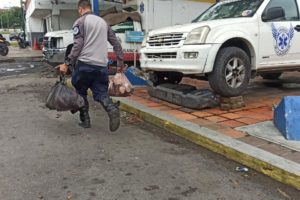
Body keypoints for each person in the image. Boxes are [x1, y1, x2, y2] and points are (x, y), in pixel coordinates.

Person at [58, 0, 125, 132]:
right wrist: (120, 64)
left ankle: (86, 120)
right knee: (101, 92)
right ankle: (111, 108)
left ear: (80, 9)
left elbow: (77, 45)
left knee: (80, 92)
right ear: (89, 7)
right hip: (101, 66)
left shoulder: (80, 22)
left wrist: (67, 63)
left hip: (84, 65)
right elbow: (116, 44)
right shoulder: (103, 23)